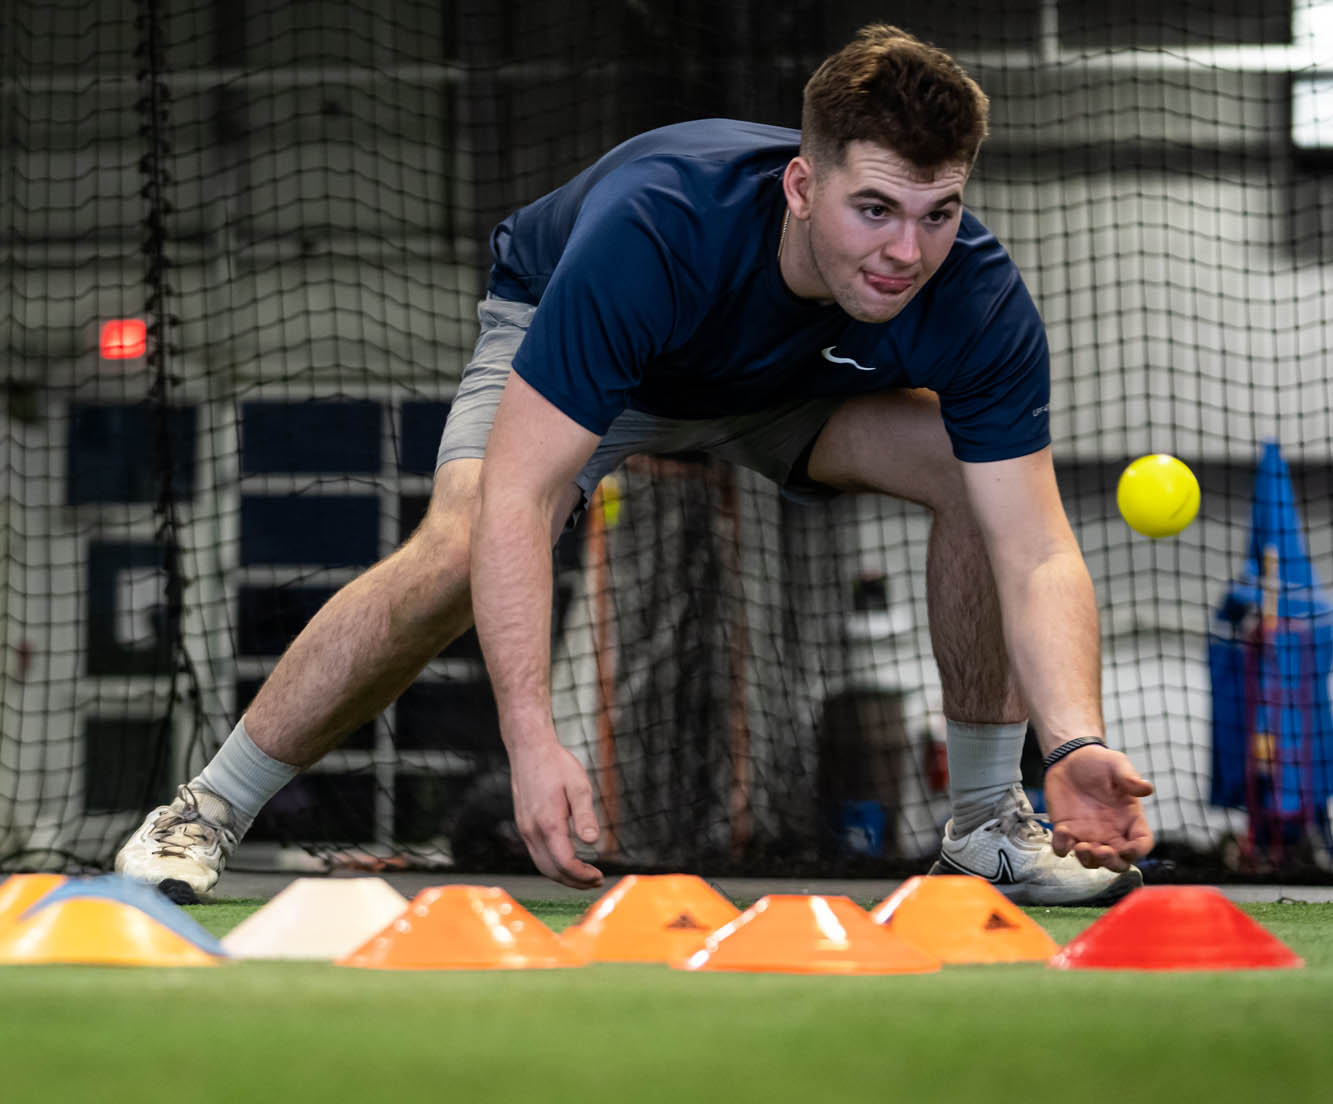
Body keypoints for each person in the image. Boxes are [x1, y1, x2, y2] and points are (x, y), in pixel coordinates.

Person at [116, 24, 1154, 905]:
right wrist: (529, 736)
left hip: (782, 389)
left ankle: (985, 824)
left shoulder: (973, 295)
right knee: (461, 539)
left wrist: (1070, 741)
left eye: (938, 214)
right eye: (873, 208)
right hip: (605, 363)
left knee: (978, 478)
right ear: (802, 184)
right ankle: (204, 807)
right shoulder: (657, 227)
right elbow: (524, 498)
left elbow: (1035, 550)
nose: (905, 252)